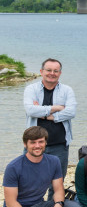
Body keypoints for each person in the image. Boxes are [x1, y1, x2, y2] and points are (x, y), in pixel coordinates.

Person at [3, 126, 83, 207]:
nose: (37, 145)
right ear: (25, 144)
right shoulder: (14, 167)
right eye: (33, 142)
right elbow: (11, 203)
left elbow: (58, 189)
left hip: (39, 206)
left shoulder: (53, 161)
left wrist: (58, 204)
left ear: (46, 142)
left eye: (40, 141)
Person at [23, 58, 77, 196]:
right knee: (29, 180)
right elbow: (30, 110)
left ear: (60, 73)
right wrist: (57, 108)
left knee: (57, 182)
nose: (52, 73)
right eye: (48, 70)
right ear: (41, 71)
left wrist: (45, 113)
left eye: (55, 71)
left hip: (59, 145)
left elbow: (71, 112)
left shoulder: (67, 90)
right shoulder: (31, 89)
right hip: (33, 144)